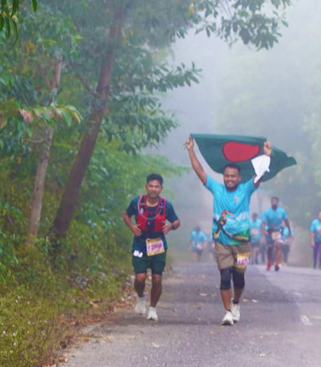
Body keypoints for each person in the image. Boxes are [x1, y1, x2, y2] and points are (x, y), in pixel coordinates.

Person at [186, 136, 272, 326]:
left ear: (239, 178)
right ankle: (226, 312)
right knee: (225, 276)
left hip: (242, 244)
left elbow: (259, 176)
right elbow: (199, 171)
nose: (230, 179)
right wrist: (191, 150)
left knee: (239, 277)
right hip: (222, 242)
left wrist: (266, 156)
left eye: (233, 176)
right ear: (223, 177)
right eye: (227, 176)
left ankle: (236, 303)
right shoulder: (216, 189)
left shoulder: (246, 189)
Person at [122, 173, 180, 321]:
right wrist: (132, 227)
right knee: (140, 277)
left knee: (157, 278)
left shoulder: (166, 205)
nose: (153, 189)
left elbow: (177, 221)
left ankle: (153, 309)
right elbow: (126, 215)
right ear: (146, 186)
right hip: (140, 244)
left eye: (157, 187)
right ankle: (141, 297)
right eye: (151, 186)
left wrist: (171, 225)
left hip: (158, 245)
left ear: (161, 188)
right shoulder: (137, 202)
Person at [262, 196, 290, 271]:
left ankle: (277, 263)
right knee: (270, 249)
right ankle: (269, 262)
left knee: (279, 246)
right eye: (273, 201)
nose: (274, 203)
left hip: (278, 231)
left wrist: (289, 229)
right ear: (271, 202)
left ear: (277, 203)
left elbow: (286, 221)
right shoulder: (267, 212)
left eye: (275, 201)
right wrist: (264, 230)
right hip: (270, 231)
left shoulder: (282, 211)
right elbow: (264, 222)